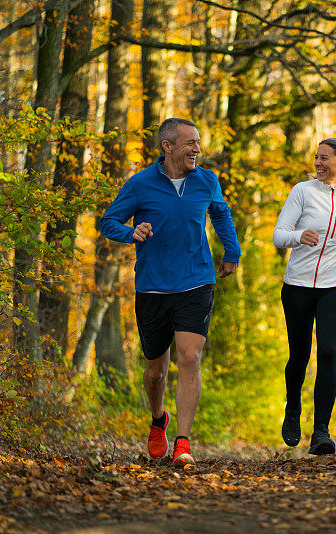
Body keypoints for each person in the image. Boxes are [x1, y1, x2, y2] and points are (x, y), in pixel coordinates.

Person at [99, 118, 240, 465]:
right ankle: (158, 417)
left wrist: (232, 252)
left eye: (198, 143)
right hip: (153, 286)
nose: (197, 150)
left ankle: (183, 443)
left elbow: (221, 216)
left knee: (190, 357)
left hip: (197, 281)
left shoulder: (207, 180)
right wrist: (131, 232)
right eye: (190, 143)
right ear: (167, 146)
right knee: (155, 372)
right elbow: (108, 222)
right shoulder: (140, 184)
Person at [272, 138, 336, 455]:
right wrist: (299, 236)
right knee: (299, 355)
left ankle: (322, 433)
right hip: (298, 285)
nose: (317, 163)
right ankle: (293, 410)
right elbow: (279, 234)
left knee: (328, 352)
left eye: (324, 158)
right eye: (316, 157)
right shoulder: (302, 192)